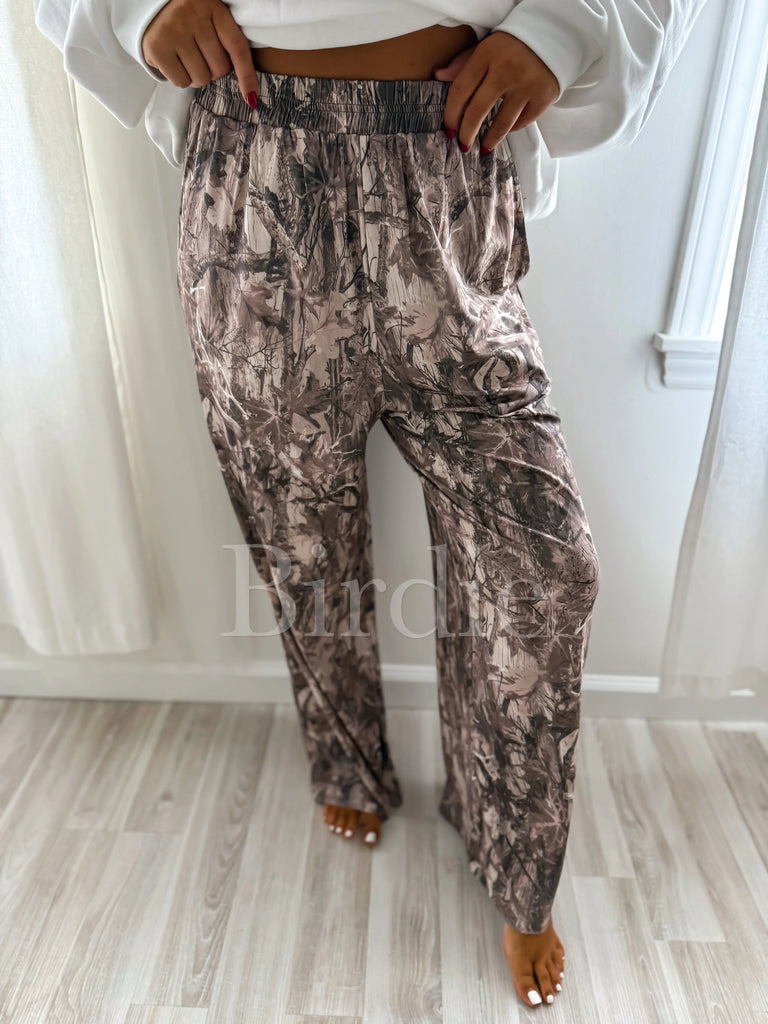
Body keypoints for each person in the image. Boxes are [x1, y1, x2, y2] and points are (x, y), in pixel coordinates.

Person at [33, 0, 711, 1010]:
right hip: (255, 171)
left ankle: (515, 855)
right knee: (298, 534)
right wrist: (135, 11)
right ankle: (348, 761)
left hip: (448, 164)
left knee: (544, 567)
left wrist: (565, 32)